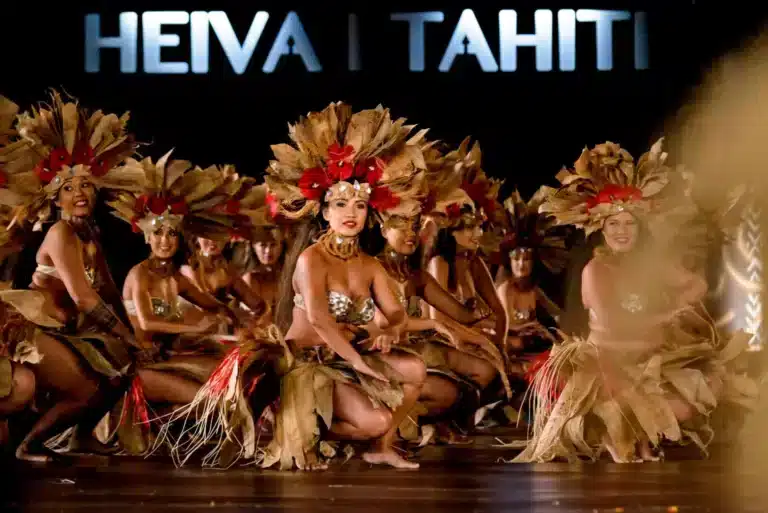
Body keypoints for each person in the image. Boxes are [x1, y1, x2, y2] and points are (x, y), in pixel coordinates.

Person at [513, 140, 758, 463]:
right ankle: (614, 430)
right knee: (616, 393)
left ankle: (636, 433)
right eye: (614, 224)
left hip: (649, 362)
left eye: (630, 223)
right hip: (606, 366)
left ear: (640, 228)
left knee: (706, 385)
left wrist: (682, 300)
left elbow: (697, 284)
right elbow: (614, 322)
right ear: (602, 229)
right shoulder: (595, 270)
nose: (622, 231)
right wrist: (667, 315)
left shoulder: (650, 267)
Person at [260, 102, 431, 470]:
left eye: (359, 206)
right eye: (340, 204)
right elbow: (319, 320)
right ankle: (298, 426)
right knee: (376, 420)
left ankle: (381, 448)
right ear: (324, 212)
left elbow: (396, 312)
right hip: (309, 364)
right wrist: (360, 363)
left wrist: (391, 331)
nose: (350, 214)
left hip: (347, 358)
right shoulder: (311, 259)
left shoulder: (369, 265)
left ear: (370, 214)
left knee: (416, 369)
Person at [0, 90, 144, 461]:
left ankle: (81, 436)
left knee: (121, 371)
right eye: (68, 188)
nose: (79, 193)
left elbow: (107, 290)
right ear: (55, 198)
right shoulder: (61, 232)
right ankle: (28, 445)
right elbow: (84, 298)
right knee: (85, 389)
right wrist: (127, 334)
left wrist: (133, 338)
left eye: (86, 185)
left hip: (66, 330)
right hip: (34, 327)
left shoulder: (89, 235)